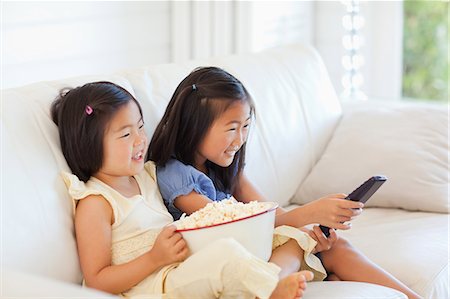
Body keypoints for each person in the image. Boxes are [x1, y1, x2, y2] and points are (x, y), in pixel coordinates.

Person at [148, 67, 422, 299]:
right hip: (228, 261)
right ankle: (268, 286)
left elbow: (274, 213)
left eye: (245, 126)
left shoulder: (226, 167)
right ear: (193, 125)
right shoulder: (176, 176)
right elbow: (229, 228)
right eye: (231, 128)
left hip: (256, 248)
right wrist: (310, 214)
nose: (239, 139)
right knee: (297, 243)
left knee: (333, 247)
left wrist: (312, 232)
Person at [51, 81, 314, 299]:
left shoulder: (148, 175)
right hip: (152, 287)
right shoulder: (96, 202)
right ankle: (270, 288)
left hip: (181, 269)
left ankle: (267, 281)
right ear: (89, 145)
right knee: (226, 253)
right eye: (125, 135)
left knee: (288, 237)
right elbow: (97, 280)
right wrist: (153, 259)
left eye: (141, 127)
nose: (141, 139)